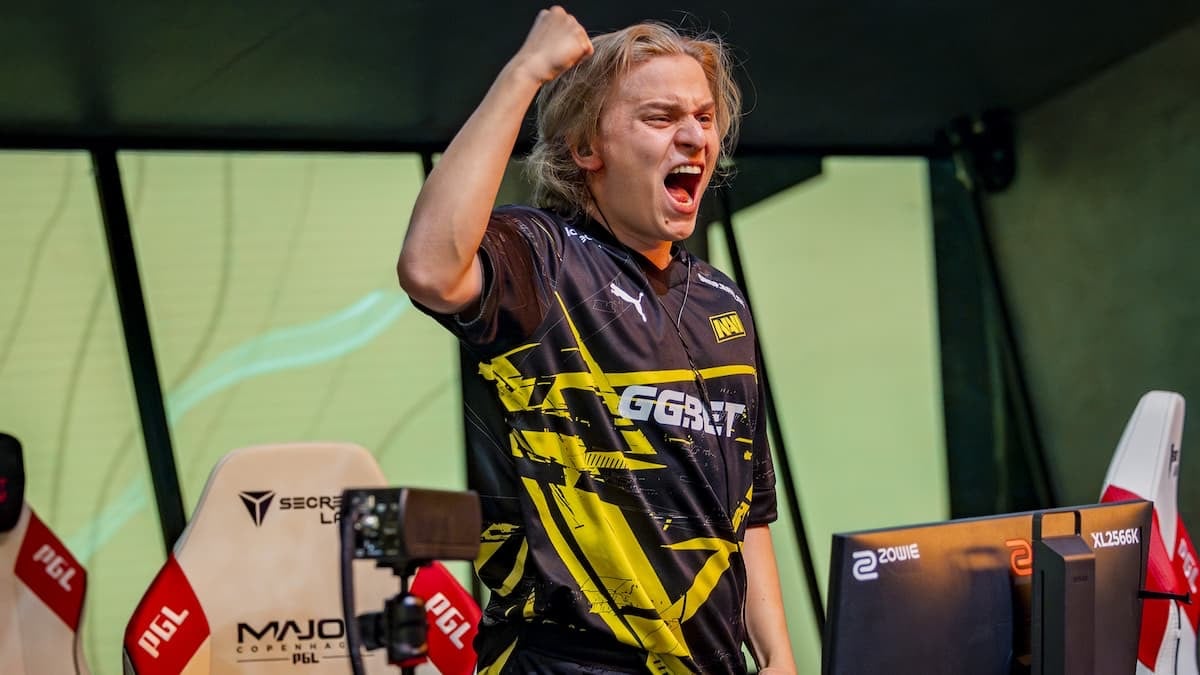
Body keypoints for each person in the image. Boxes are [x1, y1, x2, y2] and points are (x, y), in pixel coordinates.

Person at [397, 6, 796, 673]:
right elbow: (430, 268)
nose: (694, 137)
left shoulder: (723, 299)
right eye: (660, 118)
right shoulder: (543, 258)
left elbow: (747, 513)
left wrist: (779, 655)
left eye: (704, 117)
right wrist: (525, 72)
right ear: (587, 148)